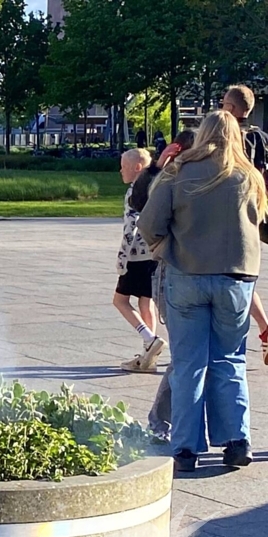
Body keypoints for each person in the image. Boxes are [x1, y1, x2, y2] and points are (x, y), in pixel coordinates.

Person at [137, 111, 267, 473]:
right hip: (236, 280)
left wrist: (165, 250)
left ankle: (185, 448)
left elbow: (149, 223)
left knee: (189, 365)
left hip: (187, 275)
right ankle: (237, 441)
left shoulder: (177, 172)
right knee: (229, 361)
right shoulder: (250, 177)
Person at [132, 130, 197, 442]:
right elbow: (139, 203)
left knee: (195, 356)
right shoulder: (172, 176)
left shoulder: (189, 176)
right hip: (181, 272)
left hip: (188, 272)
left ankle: (170, 424)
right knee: (191, 354)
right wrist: (157, 167)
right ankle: (164, 422)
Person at [221, 84, 268, 354]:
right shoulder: (260, 138)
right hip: (255, 213)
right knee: (245, 275)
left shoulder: (226, 136)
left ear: (232, 108)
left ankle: (249, 333)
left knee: (231, 277)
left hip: (229, 213)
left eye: (224, 103)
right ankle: (264, 328)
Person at [114, 148, 165, 373]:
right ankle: (148, 357)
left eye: (124, 167)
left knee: (120, 301)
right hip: (155, 254)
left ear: (137, 168)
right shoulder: (157, 188)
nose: (120, 171)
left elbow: (131, 228)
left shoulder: (135, 191)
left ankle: (150, 339)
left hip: (137, 256)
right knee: (146, 302)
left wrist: (122, 258)